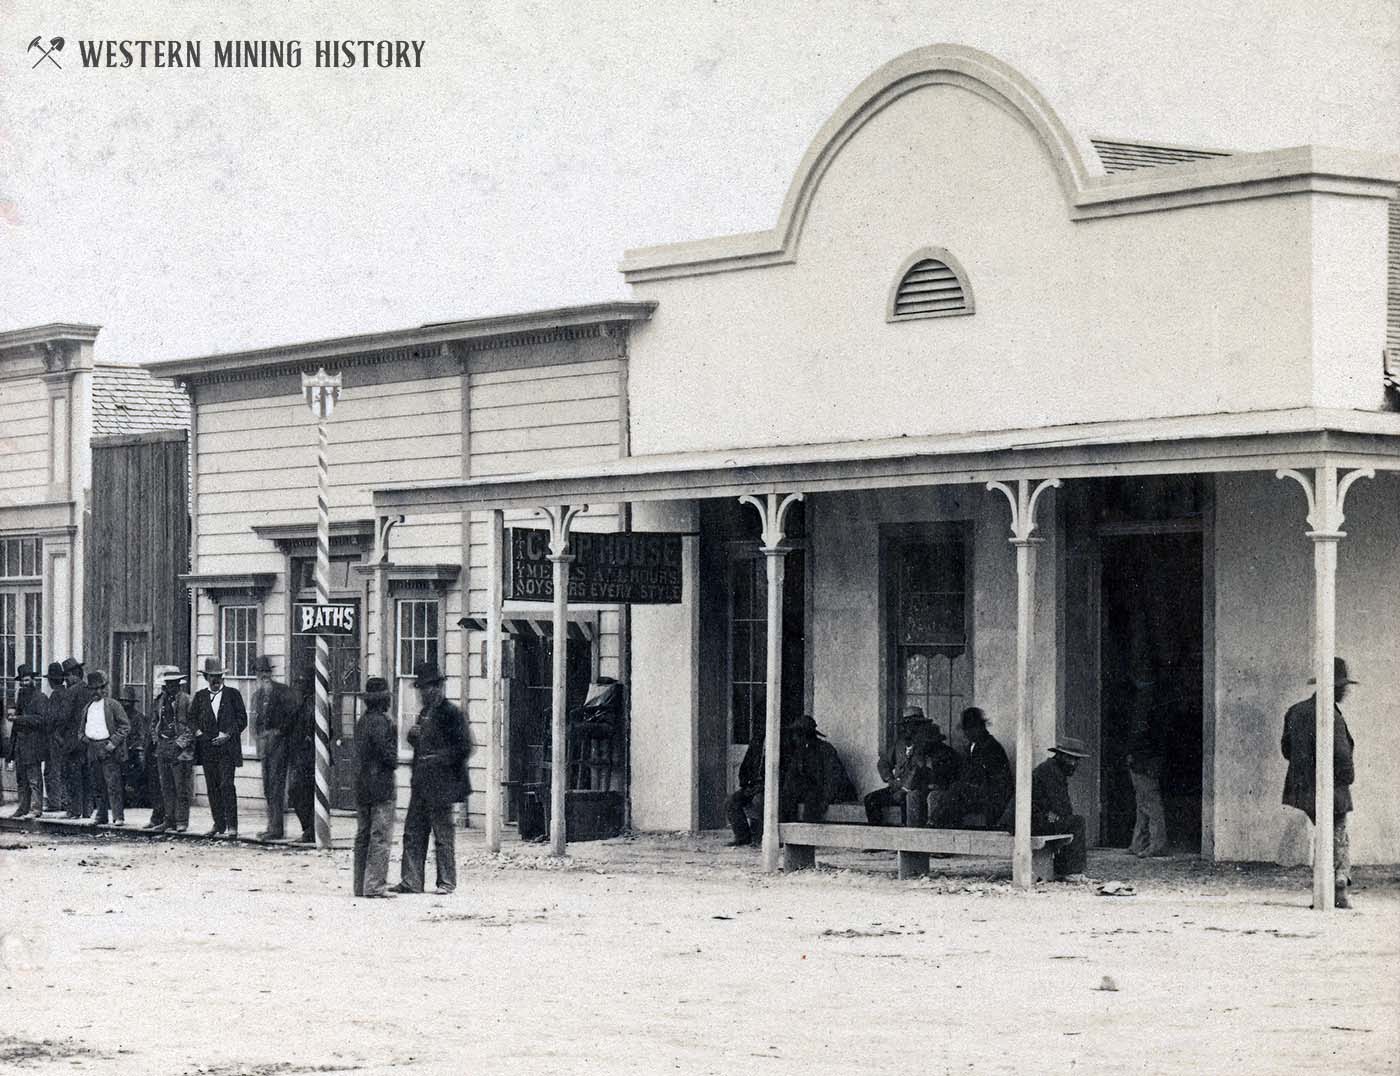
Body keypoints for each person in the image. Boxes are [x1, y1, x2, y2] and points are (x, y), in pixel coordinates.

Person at [1282, 657, 1358, 909]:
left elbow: (1286, 749)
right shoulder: (1331, 715)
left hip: (1303, 788)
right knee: (1338, 833)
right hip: (1331, 787)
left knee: (1323, 833)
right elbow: (1342, 754)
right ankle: (1339, 880)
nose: (1345, 690)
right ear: (1334, 687)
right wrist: (1347, 778)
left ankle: (1327, 882)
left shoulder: (1295, 711)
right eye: (1342, 685)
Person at [394, 661, 469, 894]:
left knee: (443, 836)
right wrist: (412, 737)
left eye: (430, 687)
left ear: (439, 688)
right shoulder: (424, 713)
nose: (426, 692)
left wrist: (438, 758)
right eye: (423, 688)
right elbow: (420, 743)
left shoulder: (452, 714)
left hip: (443, 784)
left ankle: (446, 882)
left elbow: (464, 747)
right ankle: (411, 881)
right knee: (413, 833)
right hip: (421, 783)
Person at [864, 706, 960, 826]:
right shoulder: (899, 745)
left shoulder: (927, 746)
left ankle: (907, 836)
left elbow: (921, 771)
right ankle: (877, 835)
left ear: (922, 726)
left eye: (915, 725)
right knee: (870, 799)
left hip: (916, 789)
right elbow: (883, 762)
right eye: (906, 725)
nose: (909, 729)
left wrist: (904, 789)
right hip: (898, 787)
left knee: (909, 799)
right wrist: (890, 779)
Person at [190, 657, 248, 837]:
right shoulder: (200, 697)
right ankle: (218, 824)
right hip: (208, 749)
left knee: (226, 785)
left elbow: (242, 720)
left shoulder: (233, 695)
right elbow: (191, 719)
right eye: (212, 677)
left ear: (223, 677)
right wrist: (198, 732)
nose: (216, 681)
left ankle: (232, 826)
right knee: (212, 787)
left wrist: (228, 734)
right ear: (206, 677)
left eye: (219, 677)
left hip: (227, 749)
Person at [352, 677, 399, 898]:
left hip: (362, 784)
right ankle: (375, 885)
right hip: (381, 784)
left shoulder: (362, 722)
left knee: (362, 836)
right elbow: (388, 755)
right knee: (380, 836)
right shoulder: (382, 722)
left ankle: (360, 884)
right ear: (382, 701)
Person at [932, 707, 1012, 828]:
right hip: (974, 793)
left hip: (991, 794)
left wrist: (965, 785)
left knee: (955, 791)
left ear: (980, 728)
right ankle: (940, 828)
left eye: (971, 729)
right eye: (966, 730)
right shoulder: (971, 746)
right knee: (939, 795)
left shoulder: (991, 747)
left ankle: (937, 825)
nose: (966, 733)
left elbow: (995, 780)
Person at [1025, 736, 1090, 880]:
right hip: (1030, 821)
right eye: (1071, 759)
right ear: (1060, 755)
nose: (1074, 764)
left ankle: (1064, 869)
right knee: (1076, 822)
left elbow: (1058, 808)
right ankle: (1070, 871)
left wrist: (1055, 814)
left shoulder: (1051, 768)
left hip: (1033, 818)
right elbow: (1063, 808)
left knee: (1068, 821)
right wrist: (1054, 814)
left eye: (1076, 760)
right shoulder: (1052, 772)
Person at [250, 656, 301, 841]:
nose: (263, 675)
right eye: (259, 672)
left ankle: (277, 828)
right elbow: (255, 720)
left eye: (266, 672)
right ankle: (271, 825)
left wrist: (279, 731)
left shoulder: (283, 692)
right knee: (267, 787)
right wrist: (257, 738)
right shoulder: (257, 696)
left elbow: (292, 716)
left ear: (270, 673)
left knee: (276, 786)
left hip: (280, 745)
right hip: (264, 746)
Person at [79, 671, 131, 826]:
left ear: (105, 688)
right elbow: (80, 731)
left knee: (113, 784)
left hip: (108, 748)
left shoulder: (112, 705)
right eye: (93, 689)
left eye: (100, 688)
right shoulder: (87, 708)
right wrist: (84, 739)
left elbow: (125, 726)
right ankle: (101, 815)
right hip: (92, 748)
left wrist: (113, 743)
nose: (96, 692)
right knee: (97, 784)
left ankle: (118, 816)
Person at [1126, 677, 1170, 858]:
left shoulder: (1152, 715)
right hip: (1140, 761)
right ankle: (1138, 844)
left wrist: (1147, 761)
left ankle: (1156, 845)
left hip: (1145, 762)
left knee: (1150, 805)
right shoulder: (1143, 714)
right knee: (1143, 804)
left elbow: (1154, 741)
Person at [151, 669, 196, 833]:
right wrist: (156, 738)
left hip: (180, 749)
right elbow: (154, 721)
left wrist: (181, 743)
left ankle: (182, 821)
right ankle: (168, 820)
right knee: (166, 786)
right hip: (163, 745)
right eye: (168, 683)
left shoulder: (187, 701)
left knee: (181, 786)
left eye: (173, 683)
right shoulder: (160, 700)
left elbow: (193, 725)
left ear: (179, 684)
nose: (170, 686)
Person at [7, 664, 48, 817]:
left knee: (34, 779)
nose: (24, 684)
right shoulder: (21, 697)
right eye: (22, 681)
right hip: (19, 744)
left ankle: (36, 808)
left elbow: (41, 720)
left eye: (26, 680)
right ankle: (22, 807)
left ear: (33, 680)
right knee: (21, 779)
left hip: (33, 744)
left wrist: (19, 719)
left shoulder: (40, 698)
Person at [58, 657, 93, 819]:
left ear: (73, 675)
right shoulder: (90, 689)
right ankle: (87, 810)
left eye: (67, 677)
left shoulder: (71, 692)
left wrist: (59, 734)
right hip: (89, 739)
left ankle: (74, 810)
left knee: (73, 775)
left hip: (72, 740)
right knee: (86, 775)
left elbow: (64, 717)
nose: (65, 680)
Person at [287, 669, 316, 843]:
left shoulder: (316, 704)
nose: (299, 686)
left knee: (303, 793)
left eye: (302, 683)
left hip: (310, 759)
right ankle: (307, 828)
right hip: (299, 757)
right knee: (296, 793)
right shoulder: (301, 703)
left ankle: (311, 830)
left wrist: (309, 738)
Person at [724, 725, 766, 846]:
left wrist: (760, 787)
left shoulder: (783, 746)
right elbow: (745, 767)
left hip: (769, 787)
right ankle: (742, 836)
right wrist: (746, 785)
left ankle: (759, 837)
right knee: (731, 801)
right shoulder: (756, 744)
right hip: (753, 786)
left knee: (759, 801)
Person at [40, 662, 67, 814]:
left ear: (51, 680)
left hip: (54, 738)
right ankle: (63, 800)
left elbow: (51, 718)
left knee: (52, 770)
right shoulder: (67, 693)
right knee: (62, 769)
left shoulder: (55, 695)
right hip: (64, 738)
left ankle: (55, 802)